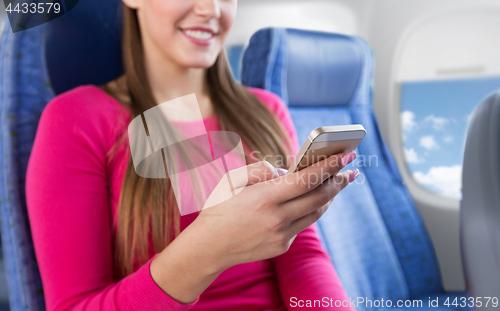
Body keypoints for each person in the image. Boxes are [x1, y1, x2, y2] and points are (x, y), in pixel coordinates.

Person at [26, 0, 359, 310]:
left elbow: (302, 258)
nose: (210, 8)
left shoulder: (266, 111)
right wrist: (209, 248)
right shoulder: (77, 120)